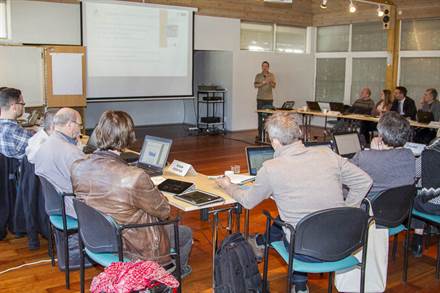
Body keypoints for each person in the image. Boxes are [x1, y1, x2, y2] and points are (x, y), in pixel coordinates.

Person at [216, 112, 372, 293]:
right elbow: (364, 181)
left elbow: (248, 202)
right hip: (344, 242)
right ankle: (293, 279)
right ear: (299, 132)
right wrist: (347, 210)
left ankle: (297, 283)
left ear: (274, 141)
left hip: (306, 252)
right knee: (289, 220)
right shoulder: (328, 154)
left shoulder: (271, 168)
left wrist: (228, 186)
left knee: (285, 224)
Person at [71, 110, 193, 276]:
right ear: (128, 137)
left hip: (97, 239)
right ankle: (168, 278)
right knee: (185, 233)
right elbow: (164, 211)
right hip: (134, 245)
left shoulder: (77, 167)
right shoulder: (134, 177)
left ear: (98, 133)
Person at [33, 108, 85, 218]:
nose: (81, 129)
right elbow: (88, 185)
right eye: (80, 125)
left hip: (55, 205)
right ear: (70, 124)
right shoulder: (71, 152)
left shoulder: (44, 145)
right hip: (72, 208)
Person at [351, 112, 415, 199]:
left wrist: (373, 152)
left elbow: (344, 176)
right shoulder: (409, 155)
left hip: (366, 208)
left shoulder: (364, 157)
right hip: (399, 209)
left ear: (381, 135)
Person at [0, 87, 33, 160]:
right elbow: (40, 146)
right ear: (14, 107)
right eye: (22, 104)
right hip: (22, 169)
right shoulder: (14, 131)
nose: (23, 106)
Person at [254, 61, 276, 142]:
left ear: (268, 67)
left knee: (269, 118)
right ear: (261, 67)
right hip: (260, 99)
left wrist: (270, 82)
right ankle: (260, 136)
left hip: (269, 99)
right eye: (263, 66)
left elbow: (274, 86)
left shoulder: (272, 75)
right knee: (260, 117)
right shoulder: (258, 75)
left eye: (266, 66)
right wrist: (263, 82)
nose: (265, 67)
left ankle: (269, 135)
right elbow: (255, 85)